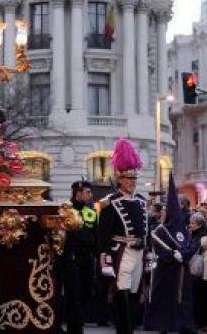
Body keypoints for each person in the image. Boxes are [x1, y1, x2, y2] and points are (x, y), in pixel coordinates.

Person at [98, 138, 148, 334]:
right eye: (128, 178)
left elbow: (145, 230)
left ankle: (127, 327)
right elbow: (103, 235)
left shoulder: (142, 201)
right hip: (121, 251)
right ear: (119, 179)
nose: (132, 182)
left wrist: (148, 250)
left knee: (135, 293)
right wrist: (105, 260)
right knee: (122, 291)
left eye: (134, 179)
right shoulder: (110, 202)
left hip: (139, 252)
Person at [145, 176, 195, 334]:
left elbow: (190, 246)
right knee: (165, 298)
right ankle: (164, 326)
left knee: (183, 298)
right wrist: (172, 254)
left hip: (182, 271)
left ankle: (183, 325)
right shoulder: (160, 230)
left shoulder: (183, 229)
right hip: (166, 271)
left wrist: (183, 254)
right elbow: (159, 249)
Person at [61, 180, 98, 334]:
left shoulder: (91, 212)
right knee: (73, 294)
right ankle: (75, 327)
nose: (91, 195)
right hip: (72, 257)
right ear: (78, 193)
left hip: (88, 258)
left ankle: (77, 322)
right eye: (88, 192)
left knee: (86, 293)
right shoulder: (65, 211)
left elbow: (96, 235)